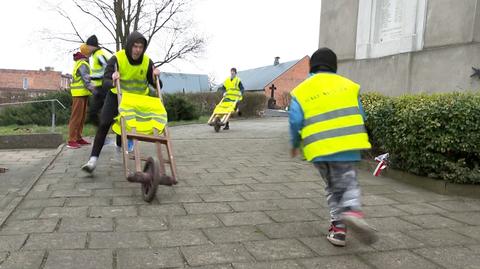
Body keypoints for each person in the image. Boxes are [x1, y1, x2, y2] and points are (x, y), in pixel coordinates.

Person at [289, 47, 377, 247]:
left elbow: (295, 121)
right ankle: (352, 210)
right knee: (347, 183)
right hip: (346, 147)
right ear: (334, 66)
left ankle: (338, 231)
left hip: (318, 151)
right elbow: (361, 115)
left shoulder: (302, 90)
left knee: (332, 187)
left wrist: (295, 144)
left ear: (312, 67)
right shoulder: (348, 86)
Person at [81, 31, 162, 173]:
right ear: (129, 45)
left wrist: (156, 78)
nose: (137, 50)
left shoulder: (147, 62)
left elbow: (158, 86)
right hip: (116, 96)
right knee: (105, 123)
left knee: (127, 127)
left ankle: (119, 149)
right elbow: (105, 82)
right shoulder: (117, 58)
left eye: (140, 47)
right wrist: (112, 79)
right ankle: (92, 160)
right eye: (135, 46)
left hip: (136, 101)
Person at [67, 49, 95, 149]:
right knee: (76, 117)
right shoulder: (83, 64)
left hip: (82, 94)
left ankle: (78, 138)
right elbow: (86, 80)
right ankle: (71, 140)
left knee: (81, 117)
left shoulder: (81, 63)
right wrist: (95, 91)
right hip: (79, 94)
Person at [84, 35, 111, 126]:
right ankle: (102, 129)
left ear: (92, 46)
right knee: (96, 112)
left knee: (93, 112)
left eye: (88, 46)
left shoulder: (99, 55)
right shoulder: (96, 55)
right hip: (99, 87)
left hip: (103, 88)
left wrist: (91, 77)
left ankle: (102, 129)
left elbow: (107, 70)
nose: (87, 48)